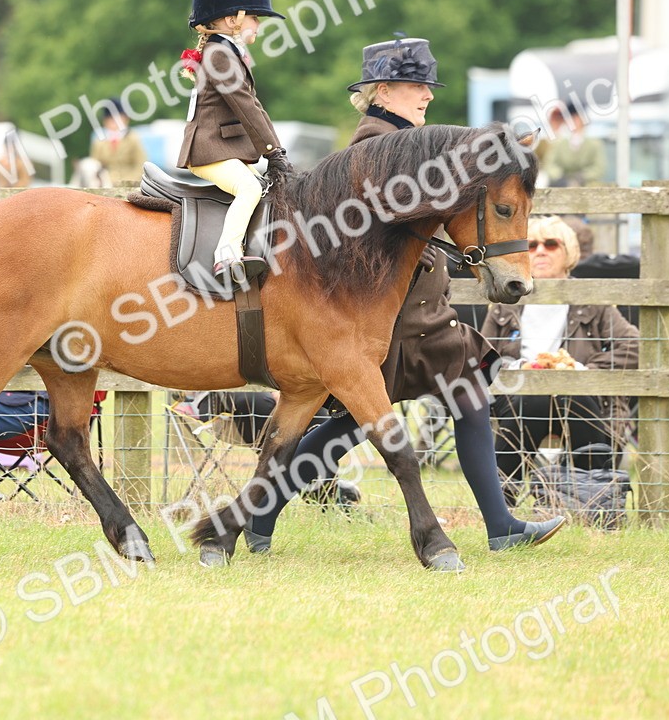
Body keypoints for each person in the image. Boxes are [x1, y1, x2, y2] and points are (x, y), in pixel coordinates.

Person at [231, 39, 564, 563]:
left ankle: (501, 526)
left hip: (420, 312)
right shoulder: (376, 143)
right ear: (382, 91)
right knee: (351, 422)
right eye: (416, 85)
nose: (428, 94)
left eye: (429, 85)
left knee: (451, 401)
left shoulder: (409, 140)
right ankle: (259, 512)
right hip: (393, 317)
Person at [482, 215, 639, 503]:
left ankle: (583, 498)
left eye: (551, 244)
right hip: (516, 397)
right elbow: (480, 358)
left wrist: (582, 370)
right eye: (531, 245)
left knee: (563, 394)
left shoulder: (591, 300)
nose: (540, 251)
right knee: (533, 398)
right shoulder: (505, 300)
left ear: (569, 253)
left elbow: (634, 346)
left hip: (580, 398)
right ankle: (505, 505)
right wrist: (517, 368)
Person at [176, 0, 292, 288]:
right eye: (255, 17)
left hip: (221, 146)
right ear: (233, 19)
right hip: (209, 149)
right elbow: (246, 107)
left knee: (264, 188)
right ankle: (226, 256)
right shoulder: (219, 55)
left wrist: (275, 151)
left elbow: (254, 106)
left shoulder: (226, 52)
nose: (258, 24)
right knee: (250, 187)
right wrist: (273, 152)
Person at [537, 103, 606, 187]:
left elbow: (599, 168)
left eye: (577, 119)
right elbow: (549, 164)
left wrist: (583, 176)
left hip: (587, 185)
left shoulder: (594, 144)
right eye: (571, 119)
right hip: (562, 185)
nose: (574, 122)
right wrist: (560, 176)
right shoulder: (559, 143)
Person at [89, 100, 147, 185]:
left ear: (126, 119)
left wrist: (128, 182)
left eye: (118, 118)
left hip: (129, 184)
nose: (114, 122)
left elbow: (140, 166)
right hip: (105, 184)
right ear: (105, 121)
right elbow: (94, 166)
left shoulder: (133, 139)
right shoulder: (99, 142)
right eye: (110, 119)